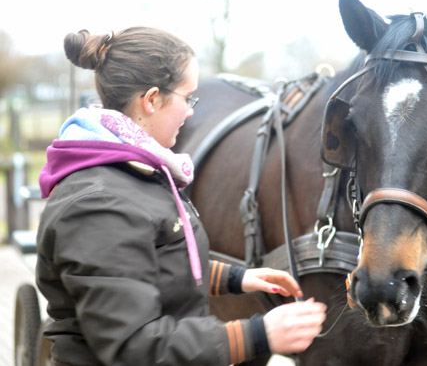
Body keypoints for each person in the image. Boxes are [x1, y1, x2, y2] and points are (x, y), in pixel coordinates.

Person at [36, 27, 327, 366]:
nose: (191, 112)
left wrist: (238, 278)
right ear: (152, 99)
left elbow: (153, 260)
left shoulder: (135, 171)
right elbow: (134, 346)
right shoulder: (98, 205)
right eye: (188, 98)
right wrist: (258, 335)